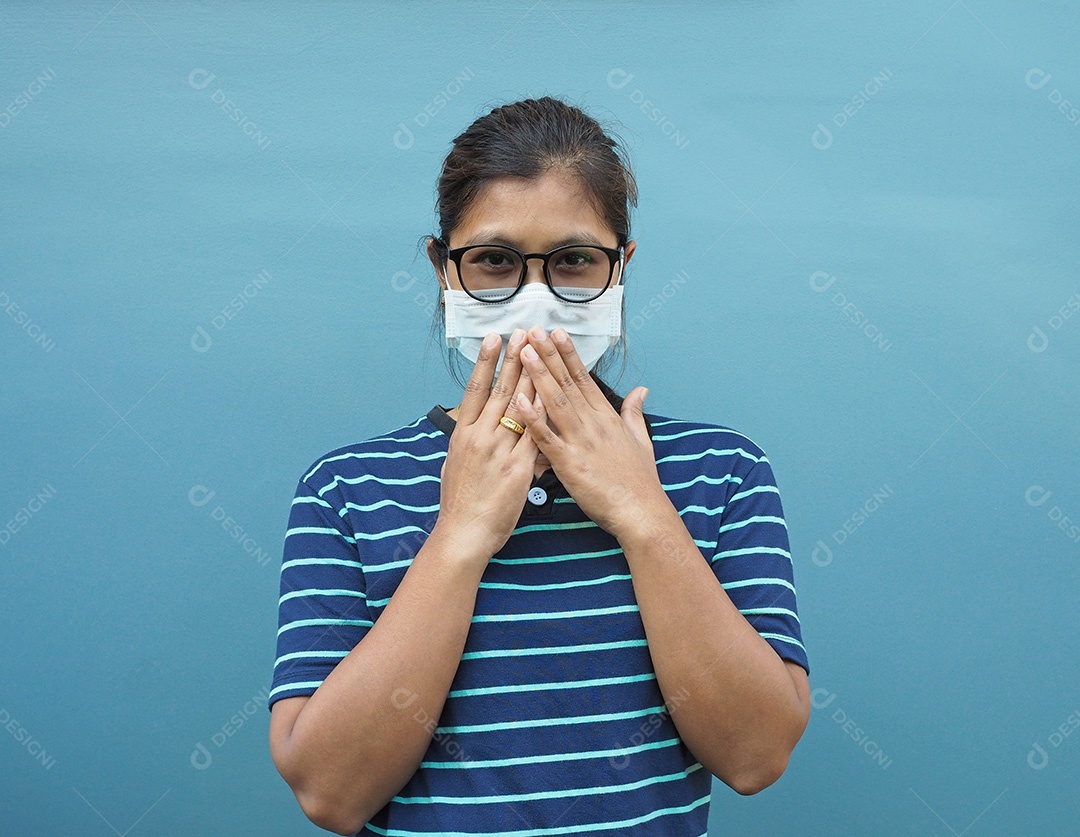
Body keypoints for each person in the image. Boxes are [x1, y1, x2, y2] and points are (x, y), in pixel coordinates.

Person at [268, 96, 810, 836]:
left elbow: (756, 753)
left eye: (574, 260)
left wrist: (642, 513)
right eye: (493, 260)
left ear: (622, 267)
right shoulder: (345, 490)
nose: (534, 300)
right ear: (441, 267)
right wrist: (460, 534)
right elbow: (331, 793)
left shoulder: (722, 471)